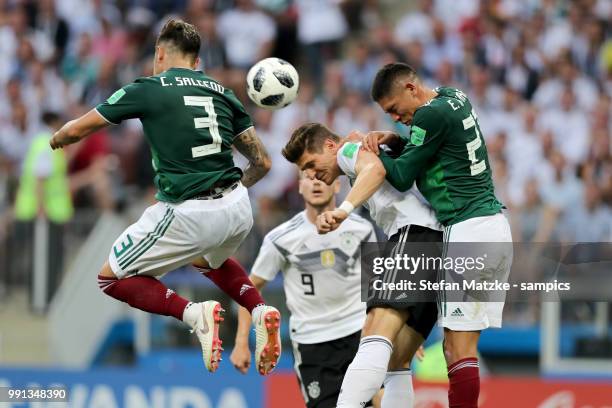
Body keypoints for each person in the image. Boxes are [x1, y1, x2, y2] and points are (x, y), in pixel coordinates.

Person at [49, 19, 282, 374]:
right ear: (196, 58)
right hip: (238, 207)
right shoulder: (220, 90)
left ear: (160, 53)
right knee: (209, 260)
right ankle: (260, 307)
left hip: (189, 210)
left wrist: (58, 139)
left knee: (110, 278)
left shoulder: (149, 88)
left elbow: (78, 128)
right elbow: (263, 162)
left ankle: (193, 313)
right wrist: (226, 194)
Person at [351, 62, 512, 408]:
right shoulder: (454, 96)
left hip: (468, 229)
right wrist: (395, 138)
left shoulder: (427, 117)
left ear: (411, 89)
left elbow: (401, 176)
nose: (396, 118)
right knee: (463, 348)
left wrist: (370, 155)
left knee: (457, 350)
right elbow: (431, 145)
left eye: (395, 110)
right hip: (495, 227)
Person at [282, 122, 442, 407]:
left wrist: (344, 210)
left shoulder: (346, 151)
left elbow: (375, 170)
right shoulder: (360, 148)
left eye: (311, 163)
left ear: (330, 146)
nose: (312, 174)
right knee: (397, 359)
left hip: (417, 234)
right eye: (304, 171)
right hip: (439, 242)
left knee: (373, 330)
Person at [231, 173, 376, 407]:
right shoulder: (281, 238)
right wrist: (240, 343)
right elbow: (248, 289)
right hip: (312, 342)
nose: (317, 182)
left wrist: (398, 331)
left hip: (359, 332)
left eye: (324, 177)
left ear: (338, 184)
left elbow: (379, 285)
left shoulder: (361, 228)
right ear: (299, 186)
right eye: (308, 177)